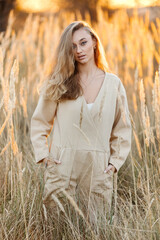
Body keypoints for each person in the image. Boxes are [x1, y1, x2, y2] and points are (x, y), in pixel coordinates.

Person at [30, 20, 132, 228]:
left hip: (98, 172)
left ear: (94, 42)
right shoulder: (59, 82)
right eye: (73, 47)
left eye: (83, 42)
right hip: (62, 170)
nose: (79, 50)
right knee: (58, 229)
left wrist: (114, 164)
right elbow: (39, 122)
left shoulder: (113, 84)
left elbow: (122, 128)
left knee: (95, 230)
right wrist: (44, 156)